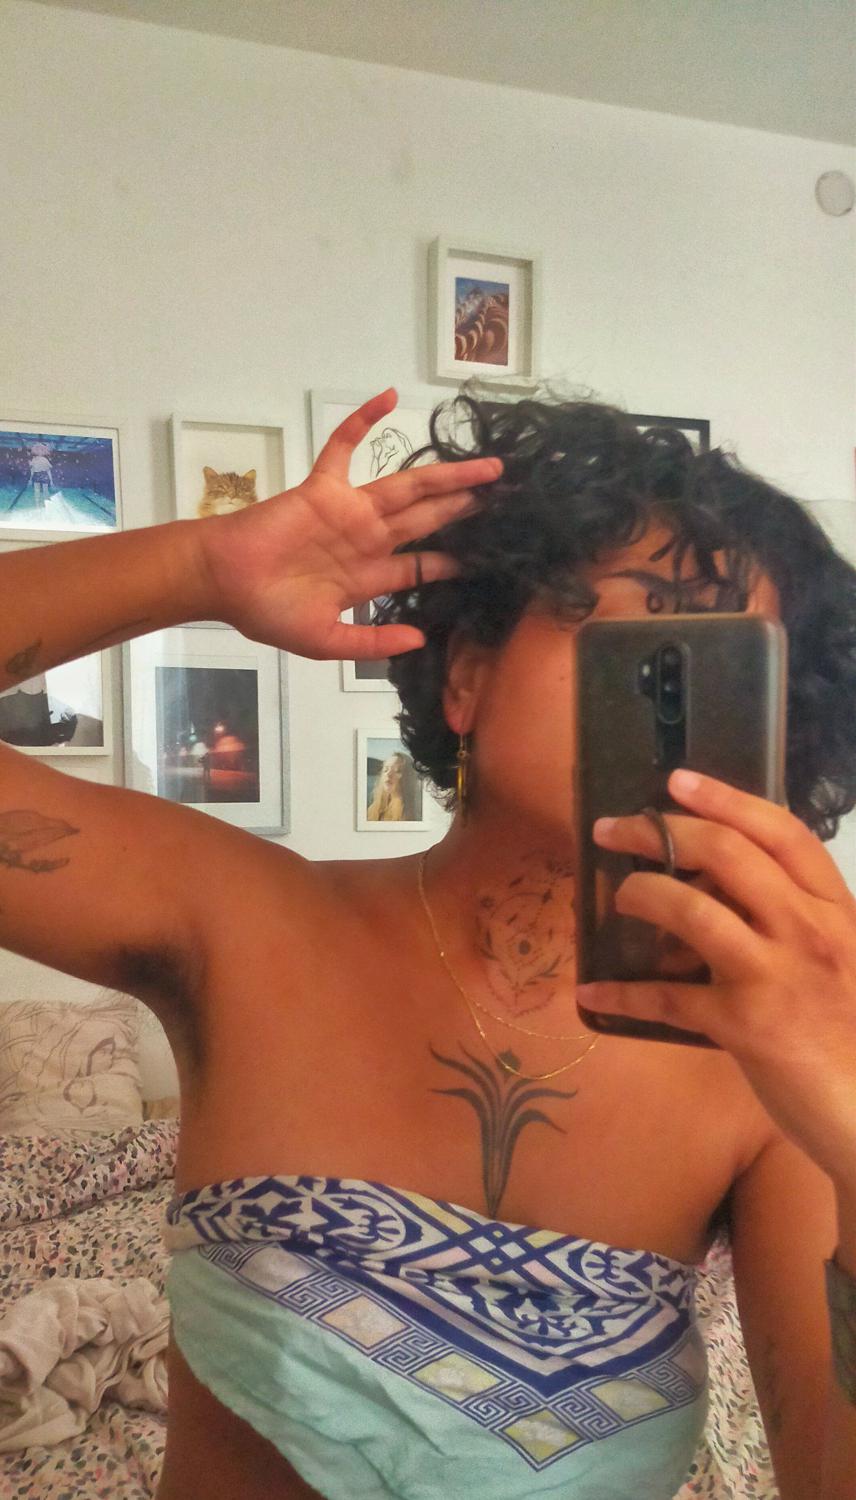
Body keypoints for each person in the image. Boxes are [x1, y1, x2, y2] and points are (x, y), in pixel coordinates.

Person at [1, 387, 855, 1498]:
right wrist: (198, 568)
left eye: (729, 669)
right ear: (467, 676)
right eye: (646, 631)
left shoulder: (767, 1066)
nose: (673, 706)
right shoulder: (241, 925)